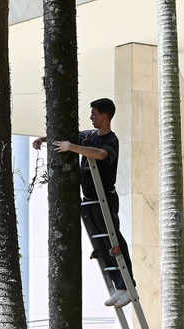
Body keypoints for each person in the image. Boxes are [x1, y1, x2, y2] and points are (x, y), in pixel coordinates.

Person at [33, 98, 136, 308]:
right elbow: (65, 139)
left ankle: (128, 286)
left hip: (105, 197)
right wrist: (42, 140)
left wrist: (72, 147)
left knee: (113, 240)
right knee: (100, 244)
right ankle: (119, 286)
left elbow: (100, 154)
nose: (91, 117)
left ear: (104, 116)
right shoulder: (88, 136)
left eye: (94, 113)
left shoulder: (111, 139)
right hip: (89, 199)